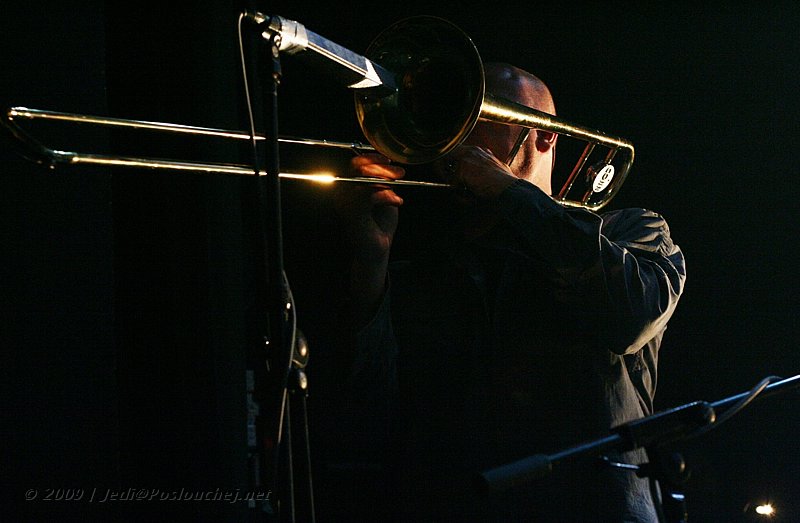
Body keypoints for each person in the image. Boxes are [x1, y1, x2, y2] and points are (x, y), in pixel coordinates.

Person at [313, 62, 686, 522]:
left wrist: (510, 193)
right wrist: (370, 261)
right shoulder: (433, 267)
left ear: (543, 135)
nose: (454, 140)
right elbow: (367, 408)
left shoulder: (629, 230)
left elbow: (633, 313)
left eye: (475, 120)